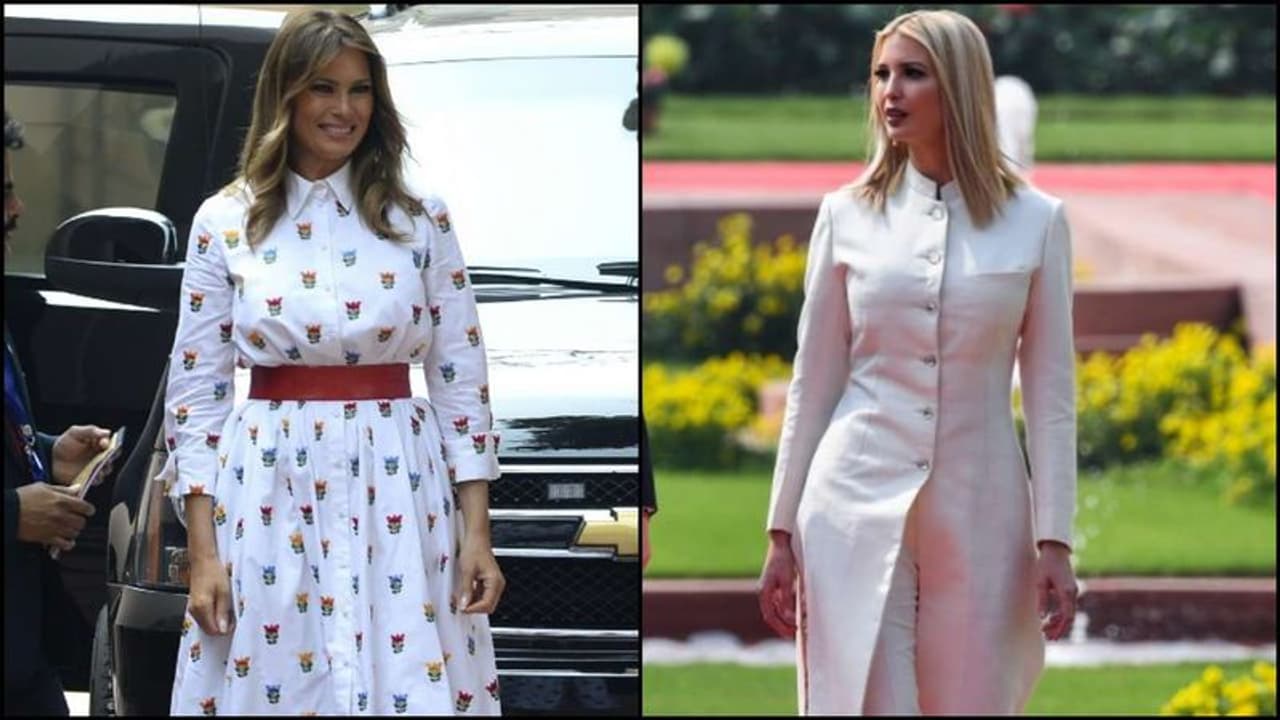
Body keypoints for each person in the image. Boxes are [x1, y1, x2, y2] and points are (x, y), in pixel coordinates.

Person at [156, 10, 504, 715]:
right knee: (275, 677)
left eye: (360, 89)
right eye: (323, 87)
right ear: (285, 95)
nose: (344, 109)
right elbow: (196, 395)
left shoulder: (420, 217)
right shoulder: (224, 220)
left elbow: (461, 380)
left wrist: (478, 535)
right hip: (268, 484)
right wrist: (204, 554)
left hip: (400, 482)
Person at [756, 10, 1078, 715]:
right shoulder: (845, 215)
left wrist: (1055, 538)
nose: (889, 92)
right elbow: (815, 379)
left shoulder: (1038, 221)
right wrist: (780, 530)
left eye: (912, 73)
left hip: (983, 509)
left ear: (958, 84)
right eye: (880, 74)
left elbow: (1052, 397)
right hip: (849, 500)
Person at [4, 109, 115, 715]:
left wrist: (47, 453)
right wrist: (12, 514)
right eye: (4, 193)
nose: (17, 208)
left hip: (22, 652)